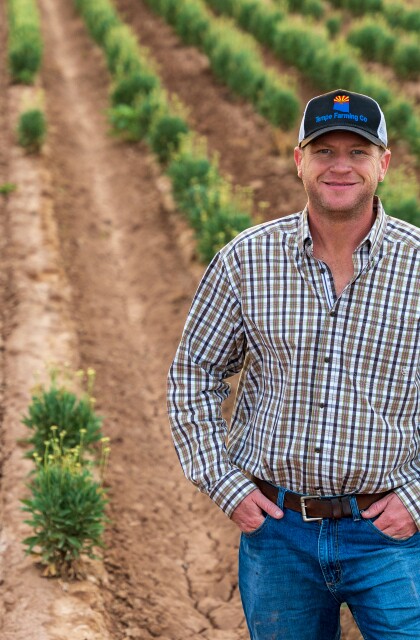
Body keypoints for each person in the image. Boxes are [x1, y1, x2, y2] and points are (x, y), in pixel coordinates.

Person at [167, 88, 420, 639]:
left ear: (384, 164)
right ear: (299, 160)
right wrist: (226, 485)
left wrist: (418, 496)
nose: (340, 165)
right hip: (279, 536)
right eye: (324, 150)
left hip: (394, 536)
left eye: (357, 152)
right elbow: (193, 374)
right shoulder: (247, 259)